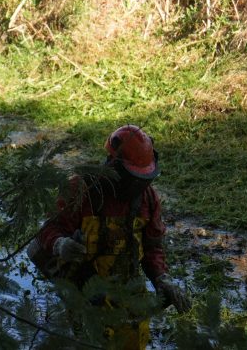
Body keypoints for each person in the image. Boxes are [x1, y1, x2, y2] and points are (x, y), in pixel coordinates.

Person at [37, 125, 189, 349]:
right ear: (113, 165)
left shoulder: (147, 199)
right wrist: (61, 244)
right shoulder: (81, 189)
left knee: (134, 340)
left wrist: (161, 279)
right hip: (83, 282)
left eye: (143, 178)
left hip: (128, 283)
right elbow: (48, 229)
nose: (137, 185)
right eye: (133, 178)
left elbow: (152, 247)